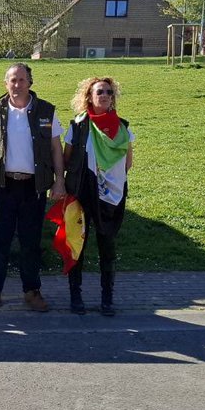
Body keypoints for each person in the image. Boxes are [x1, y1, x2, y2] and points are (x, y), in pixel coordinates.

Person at [0, 63, 65, 312]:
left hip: (34, 188)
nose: (17, 85)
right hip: (2, 187)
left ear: (30, 83)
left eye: (22, 80)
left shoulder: (46, 111)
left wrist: (59, 180)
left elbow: (56, 148)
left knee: (30, 242)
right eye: (12, 80)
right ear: (6, 84)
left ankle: (32, 292)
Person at [62, 76, 134, 317]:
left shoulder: (123, 127)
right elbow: (67, 159)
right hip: (82, 193)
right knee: (77, 246)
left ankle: (107, 299)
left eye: (109, 92)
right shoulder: (78, 126)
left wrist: (108, 181)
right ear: (89, 97)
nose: (104, 95)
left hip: (111, 196)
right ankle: (76, 296)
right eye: (99, 92)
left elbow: (127, 163)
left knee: (107, 247)